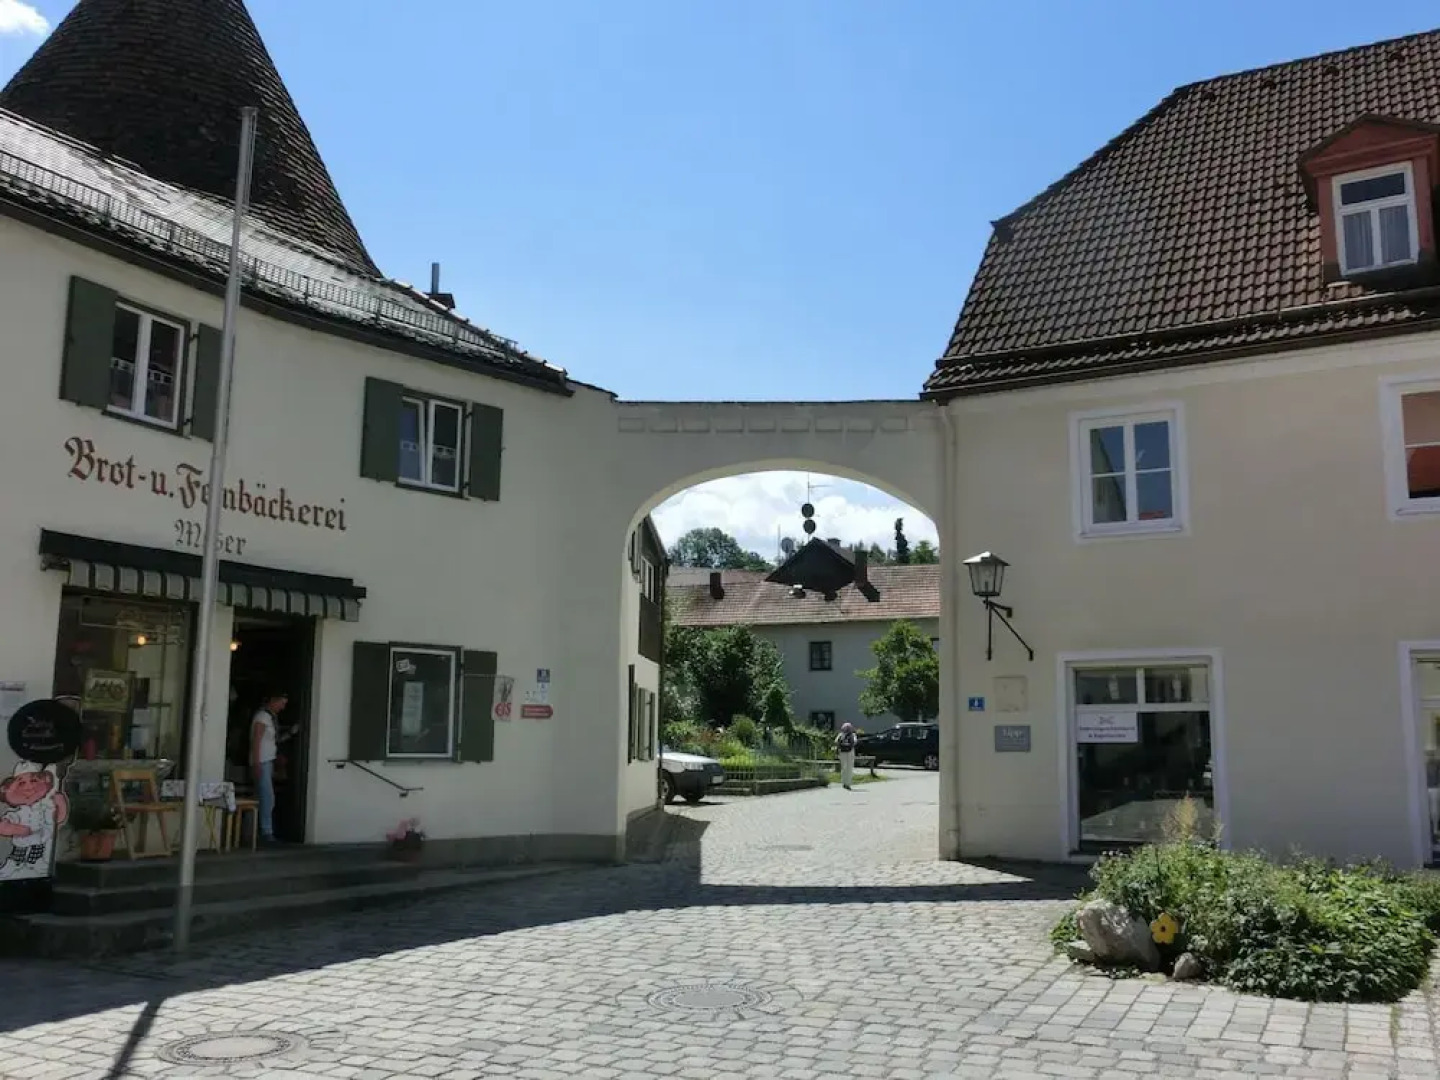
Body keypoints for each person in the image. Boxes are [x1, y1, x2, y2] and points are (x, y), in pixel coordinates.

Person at [251, 691, 291, 845]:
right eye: (282, 703)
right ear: (274, 701)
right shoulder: (262, 717)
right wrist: (256, 763)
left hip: (268, 761)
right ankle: (266, 832)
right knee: (267, 797)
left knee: (267, 796)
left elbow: (273, 740)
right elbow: (256, 740)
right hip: (262, 761)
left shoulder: (270, 718)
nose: (283, 707)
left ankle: (265, 830)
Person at [835, 722, 858, 791]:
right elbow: (855, 742)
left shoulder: (840, 735)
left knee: (843, 767)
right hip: (850, 752)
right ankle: (848, 783)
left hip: (842, 752)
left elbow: (836, 742)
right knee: (849, 768)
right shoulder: (853, 735)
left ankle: (844, 782)